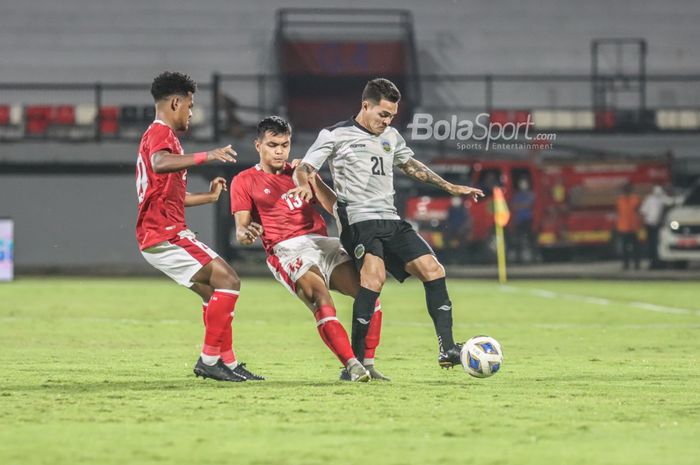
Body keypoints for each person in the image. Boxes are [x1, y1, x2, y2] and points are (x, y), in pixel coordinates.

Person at [289, 78, 484, 369]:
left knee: (433, 269)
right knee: (374, 278)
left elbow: (412, 166)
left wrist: (450, 187)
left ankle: (447, 349)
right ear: (365, 105)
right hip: (358, 223)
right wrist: (305, 185)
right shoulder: (334, 134)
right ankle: (354, 364)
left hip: (390, 219)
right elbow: (304, 167)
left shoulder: (391, 136)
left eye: (392, 115)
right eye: (383, 114)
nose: (387, 121)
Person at [230, 116, 388, 382]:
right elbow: (242, 230)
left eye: (285, 144)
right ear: (258, 146)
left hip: (322, 242)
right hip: (287, 249)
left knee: (369, 292)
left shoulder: (300, 171)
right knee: (321, 300)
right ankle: (351, 365)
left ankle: (367, 362)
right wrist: (248, 234)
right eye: (272, 145)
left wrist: (312, 179)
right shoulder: (244, 181)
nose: (280, 151)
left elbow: (333, 207)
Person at [136, 71, 263, 383]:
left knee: (213, 293)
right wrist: (208, 156)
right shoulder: (162, 135)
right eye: (190, 106)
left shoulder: (158, 137)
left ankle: (228, 363)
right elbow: (159, 164)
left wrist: (208, 197)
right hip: (165, 233)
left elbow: (168, 194)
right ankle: (208, 361)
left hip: (158, 232)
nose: (191, 113)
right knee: (230, 280)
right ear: (176, 102)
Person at [640, 185, 671, 269]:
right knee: (653, 245)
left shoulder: (657, 199)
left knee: (655, 245)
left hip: (655, 225)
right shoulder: (651, 199)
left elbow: (643, 211)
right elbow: (643, 212)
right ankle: (654, 263)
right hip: (652, 226)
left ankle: (656, 263)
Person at [615, 182, 642, 270]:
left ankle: (636, 264)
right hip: (623, 227)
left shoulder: (635, 199)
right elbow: (618, 212)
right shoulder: (620, 200)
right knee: (625, 248)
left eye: (627, 188)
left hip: (633, 227)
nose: (626, 190)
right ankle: (626, 264)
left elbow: (638, 210)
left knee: (635, 248)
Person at [512, 177, 536, 263]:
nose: (523, 185)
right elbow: (514, 206)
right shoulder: (517, 195)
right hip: (519, 220)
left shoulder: (531, 194)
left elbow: (528, 204)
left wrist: (520, 206)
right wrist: (521, 206)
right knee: (518, 240)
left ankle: (534, 258)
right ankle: (518, 259)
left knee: (530, 239)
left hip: (528, 220)